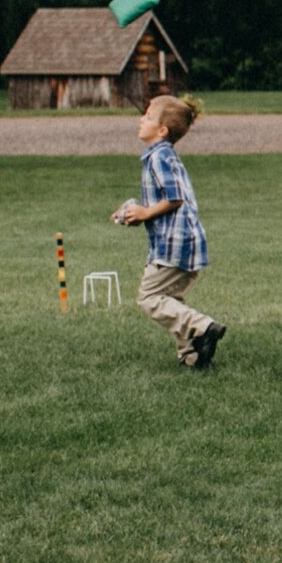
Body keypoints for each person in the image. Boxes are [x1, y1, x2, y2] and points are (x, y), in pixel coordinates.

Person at [113, 93, 225, 369]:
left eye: (148, 116)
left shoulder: (159, 156)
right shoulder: (162, 156)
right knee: (170, 300)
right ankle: (193, 356)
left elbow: (174, 198)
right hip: (184, 241)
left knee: (150, 298)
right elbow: (164, 199)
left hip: (174, 244)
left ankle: (203, 326)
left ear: (162, 130)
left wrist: (145, 213)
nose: (141, 119)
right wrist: (135, 212)